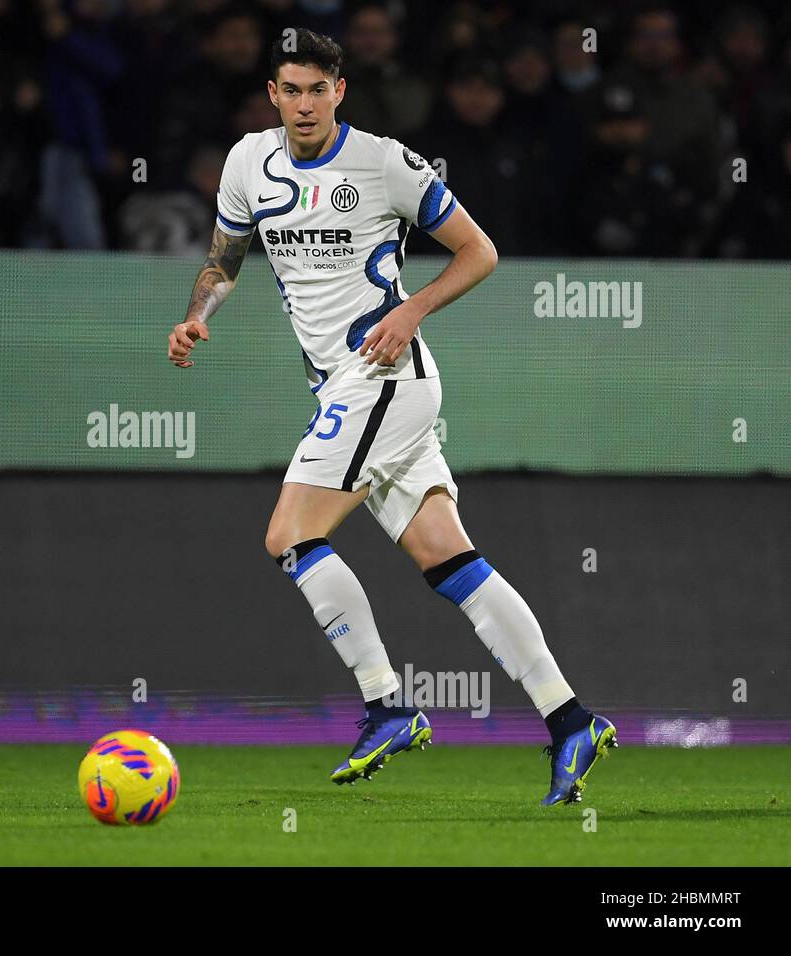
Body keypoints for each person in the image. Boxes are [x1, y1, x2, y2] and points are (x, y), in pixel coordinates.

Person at [166, 29, 617, 807]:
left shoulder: (383, 163)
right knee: (449, 560)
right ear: (271, 96)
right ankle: (570, 720)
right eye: (290, 90)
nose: (304, 104)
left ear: (340, 91)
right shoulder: (247, 163)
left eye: (318, 89)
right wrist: (197, 313)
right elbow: (225, 259)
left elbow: (479, 251)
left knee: (289, 536)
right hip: (346, 388)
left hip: (381, 378)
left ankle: (386, 705)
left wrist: (411, 308)